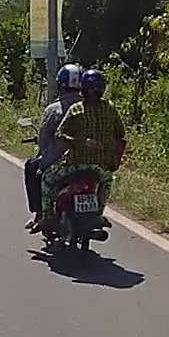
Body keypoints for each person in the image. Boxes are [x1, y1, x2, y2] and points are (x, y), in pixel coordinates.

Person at [35, 68, 126, 234]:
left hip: (76, 165)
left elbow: (60, 135)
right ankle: (98, 213)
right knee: (107, 182)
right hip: (100, 167)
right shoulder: (110, 109)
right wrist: (114, 160)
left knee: (47, 179)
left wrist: (80, 142)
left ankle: (48, 217)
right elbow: (121, 137)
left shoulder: (76, 109)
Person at [23, 64, 82, 230]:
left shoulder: (53, 110)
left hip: (57, 163)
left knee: (32, 168)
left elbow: (43, 141)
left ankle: (40, 214)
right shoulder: (89, 108)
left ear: (60, 86)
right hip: (87, 160)